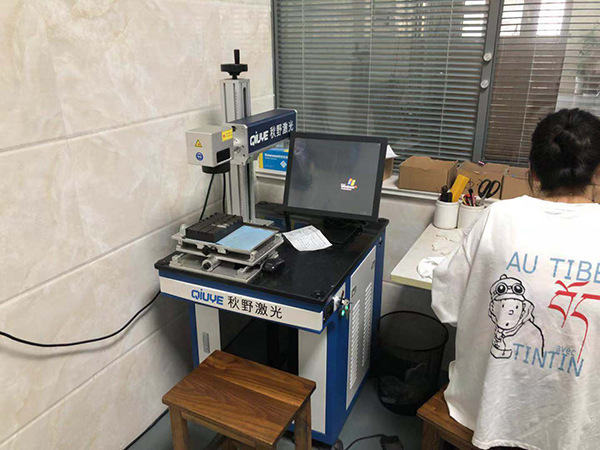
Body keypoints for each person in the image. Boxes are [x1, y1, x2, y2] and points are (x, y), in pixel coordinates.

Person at [432, 108, 600, 450]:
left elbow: (446, 305)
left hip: (485, 411)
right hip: (573, 428)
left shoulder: (498, 217)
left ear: (532, 171)